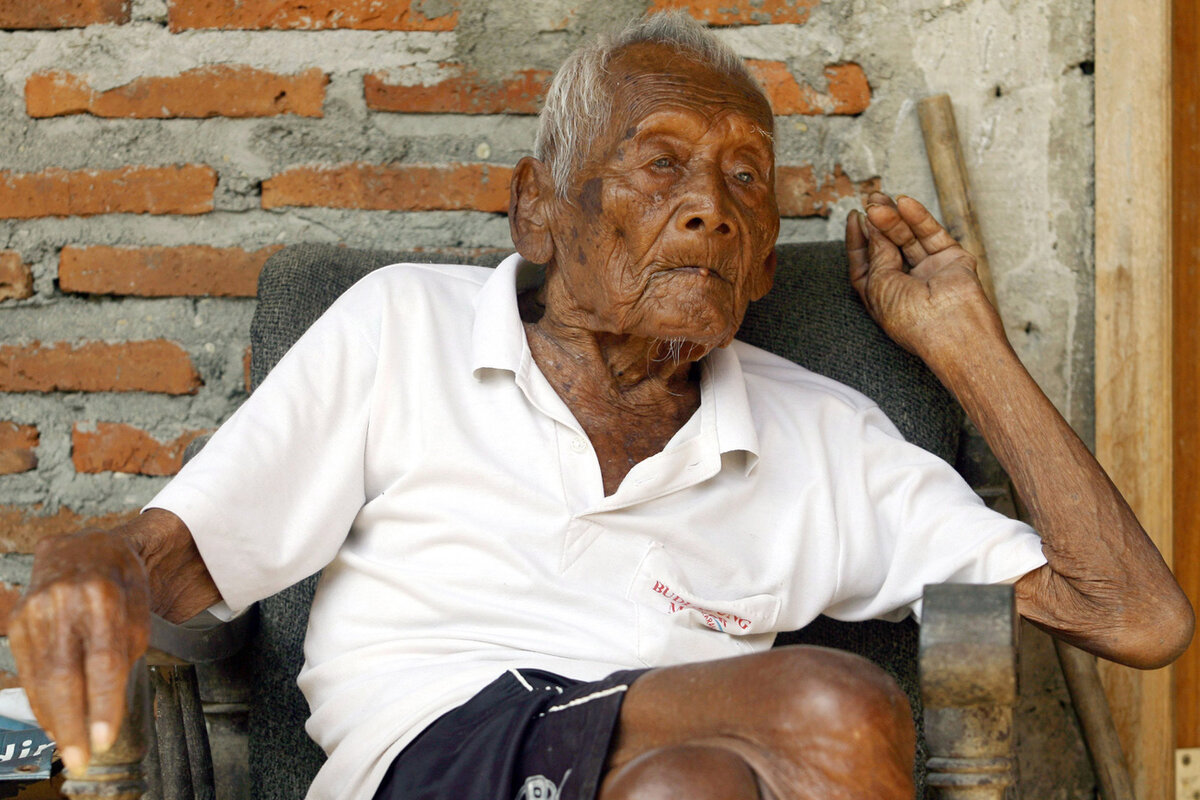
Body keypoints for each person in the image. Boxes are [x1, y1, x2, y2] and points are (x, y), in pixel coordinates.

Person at [8, 12, 1192, 800]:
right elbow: (171, 557)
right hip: (425, 760)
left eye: (744, 184)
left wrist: (964, 341)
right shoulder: (402, 326)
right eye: (659, 161)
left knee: (699, 788)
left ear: (769, 261)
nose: (710, 208)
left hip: (675, 782)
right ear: (539, 212)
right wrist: (82, 558)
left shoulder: (819, 434)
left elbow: (1137, 617)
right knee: (831, 710)